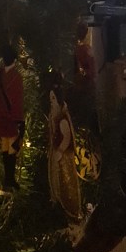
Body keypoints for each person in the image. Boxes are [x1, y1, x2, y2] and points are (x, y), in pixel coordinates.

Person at [0, 45, 24, 191]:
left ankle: (7, 179)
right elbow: (18, 99)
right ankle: (10, 178)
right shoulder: (16, 77)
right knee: (12, 147)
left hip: (2, 116)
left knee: (5, 146)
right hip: (12, 117)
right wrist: (20, 119)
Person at [47, 81, 82, 219]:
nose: (51, 102)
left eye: (53, 98)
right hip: (57, 156)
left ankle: (71, 210)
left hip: (63, 159)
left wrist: (60, 151)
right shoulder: (54, 118)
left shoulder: (62, 121)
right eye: (50, 99)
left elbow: (66, 137)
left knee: (66, 183)